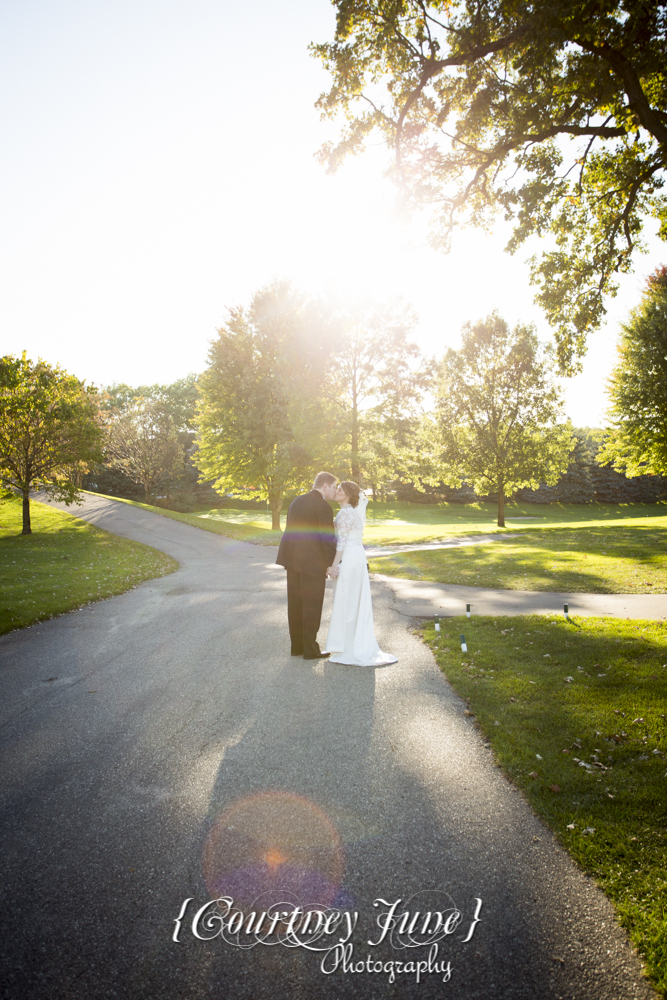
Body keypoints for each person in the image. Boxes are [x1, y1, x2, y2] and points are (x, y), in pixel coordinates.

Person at [324, 481, 397, 667]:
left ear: (347, 495)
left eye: (339, 490)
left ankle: (348, 647)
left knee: (347, 599)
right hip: (356, 557)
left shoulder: (345, 513)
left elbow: (340, 544)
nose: (337, 492)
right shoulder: (352, 513)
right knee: (353, 600)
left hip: (349, 559)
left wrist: (333, 566)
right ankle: (348, 643)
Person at [276, 471, 337, 659]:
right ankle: (310, 649)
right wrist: (331, 564)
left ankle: (297, 647)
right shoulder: (323, 506)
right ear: (325, 486)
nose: (335, 491)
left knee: (295, 604)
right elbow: (327, 539)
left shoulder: (296, 501)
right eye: (334, 487)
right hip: (312, 563)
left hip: (292, 560)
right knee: (312, 606)